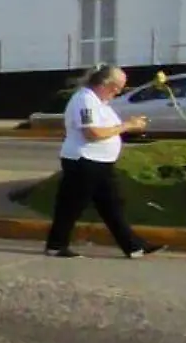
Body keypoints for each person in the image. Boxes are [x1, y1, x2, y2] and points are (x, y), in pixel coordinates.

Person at [46, 65, 162, 259]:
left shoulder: (100, 103)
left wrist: (130, 127)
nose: (118, 92)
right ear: (104, 84)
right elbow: (92, 133)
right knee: (71, 205)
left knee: (112, 205)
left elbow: (108, 129)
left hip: (100, 162)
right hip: (84, 160)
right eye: (116, 87)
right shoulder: (85, 100)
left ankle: (133, 247)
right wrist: (127, 126)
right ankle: (56, 245)